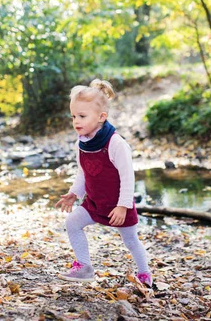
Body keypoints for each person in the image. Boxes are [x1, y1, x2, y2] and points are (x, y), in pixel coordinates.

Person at [54, 79, 152, 287]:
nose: (76, 121)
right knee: (72, 222)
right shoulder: (81, 143)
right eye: (73, 116)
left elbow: (128, 177)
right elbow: (83, 172)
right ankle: (84, 267)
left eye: (82, 116)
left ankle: (145, 274)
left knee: (131, 241)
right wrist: (74, 193)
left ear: (101, 117)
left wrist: (123, 205)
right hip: (95, 203)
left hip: (118, 205)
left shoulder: (116, 143)